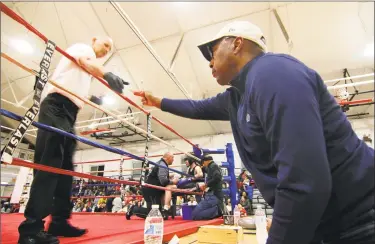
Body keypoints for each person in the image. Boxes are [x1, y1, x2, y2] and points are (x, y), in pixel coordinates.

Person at [133, 21, 375, 243]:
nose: (209, 62)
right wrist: (159, 102)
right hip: (329, 222)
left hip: (361, 218)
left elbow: (304, 181)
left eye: (213, 51)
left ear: (237, 43)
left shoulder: (273, 72)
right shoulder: (238, 95)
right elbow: (197, 107)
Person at [18, 36, 128, 244]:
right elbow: (85, 62)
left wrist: (91, 98)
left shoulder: (86, 73)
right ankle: (31, 229)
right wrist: (107, 74)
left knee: (66, 169)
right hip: (55, 106)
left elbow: (78, 80)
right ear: (94, 40)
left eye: (110, 49)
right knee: (50, 164)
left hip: (69, 113)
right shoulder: (83, 48)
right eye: (105, 45)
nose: (106, 50)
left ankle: (59, 221)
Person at [126, 152, 178, 220]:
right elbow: (163, 181)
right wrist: (173, 181)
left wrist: (169, 177)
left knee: (157, 213)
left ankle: (134, 209)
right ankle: (133, 209)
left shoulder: (160, 163)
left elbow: (157, 177)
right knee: (155, 214)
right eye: (172, 158)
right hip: (151, 190)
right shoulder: (163, 165)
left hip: (152, 189)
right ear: (167, 157)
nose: (173, 160)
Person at [191, 155, 225, 220]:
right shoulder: (212, 166)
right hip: (214, 195)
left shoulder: (213, 166)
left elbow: (217, 177)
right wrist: (202, 168)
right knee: (196, 214)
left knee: (195, 215)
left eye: (203, 163)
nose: (204, 165)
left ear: (206, 161)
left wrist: (206, 185)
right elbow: (210, 172)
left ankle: (217, 211)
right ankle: (217, 210)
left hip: (213, 195)